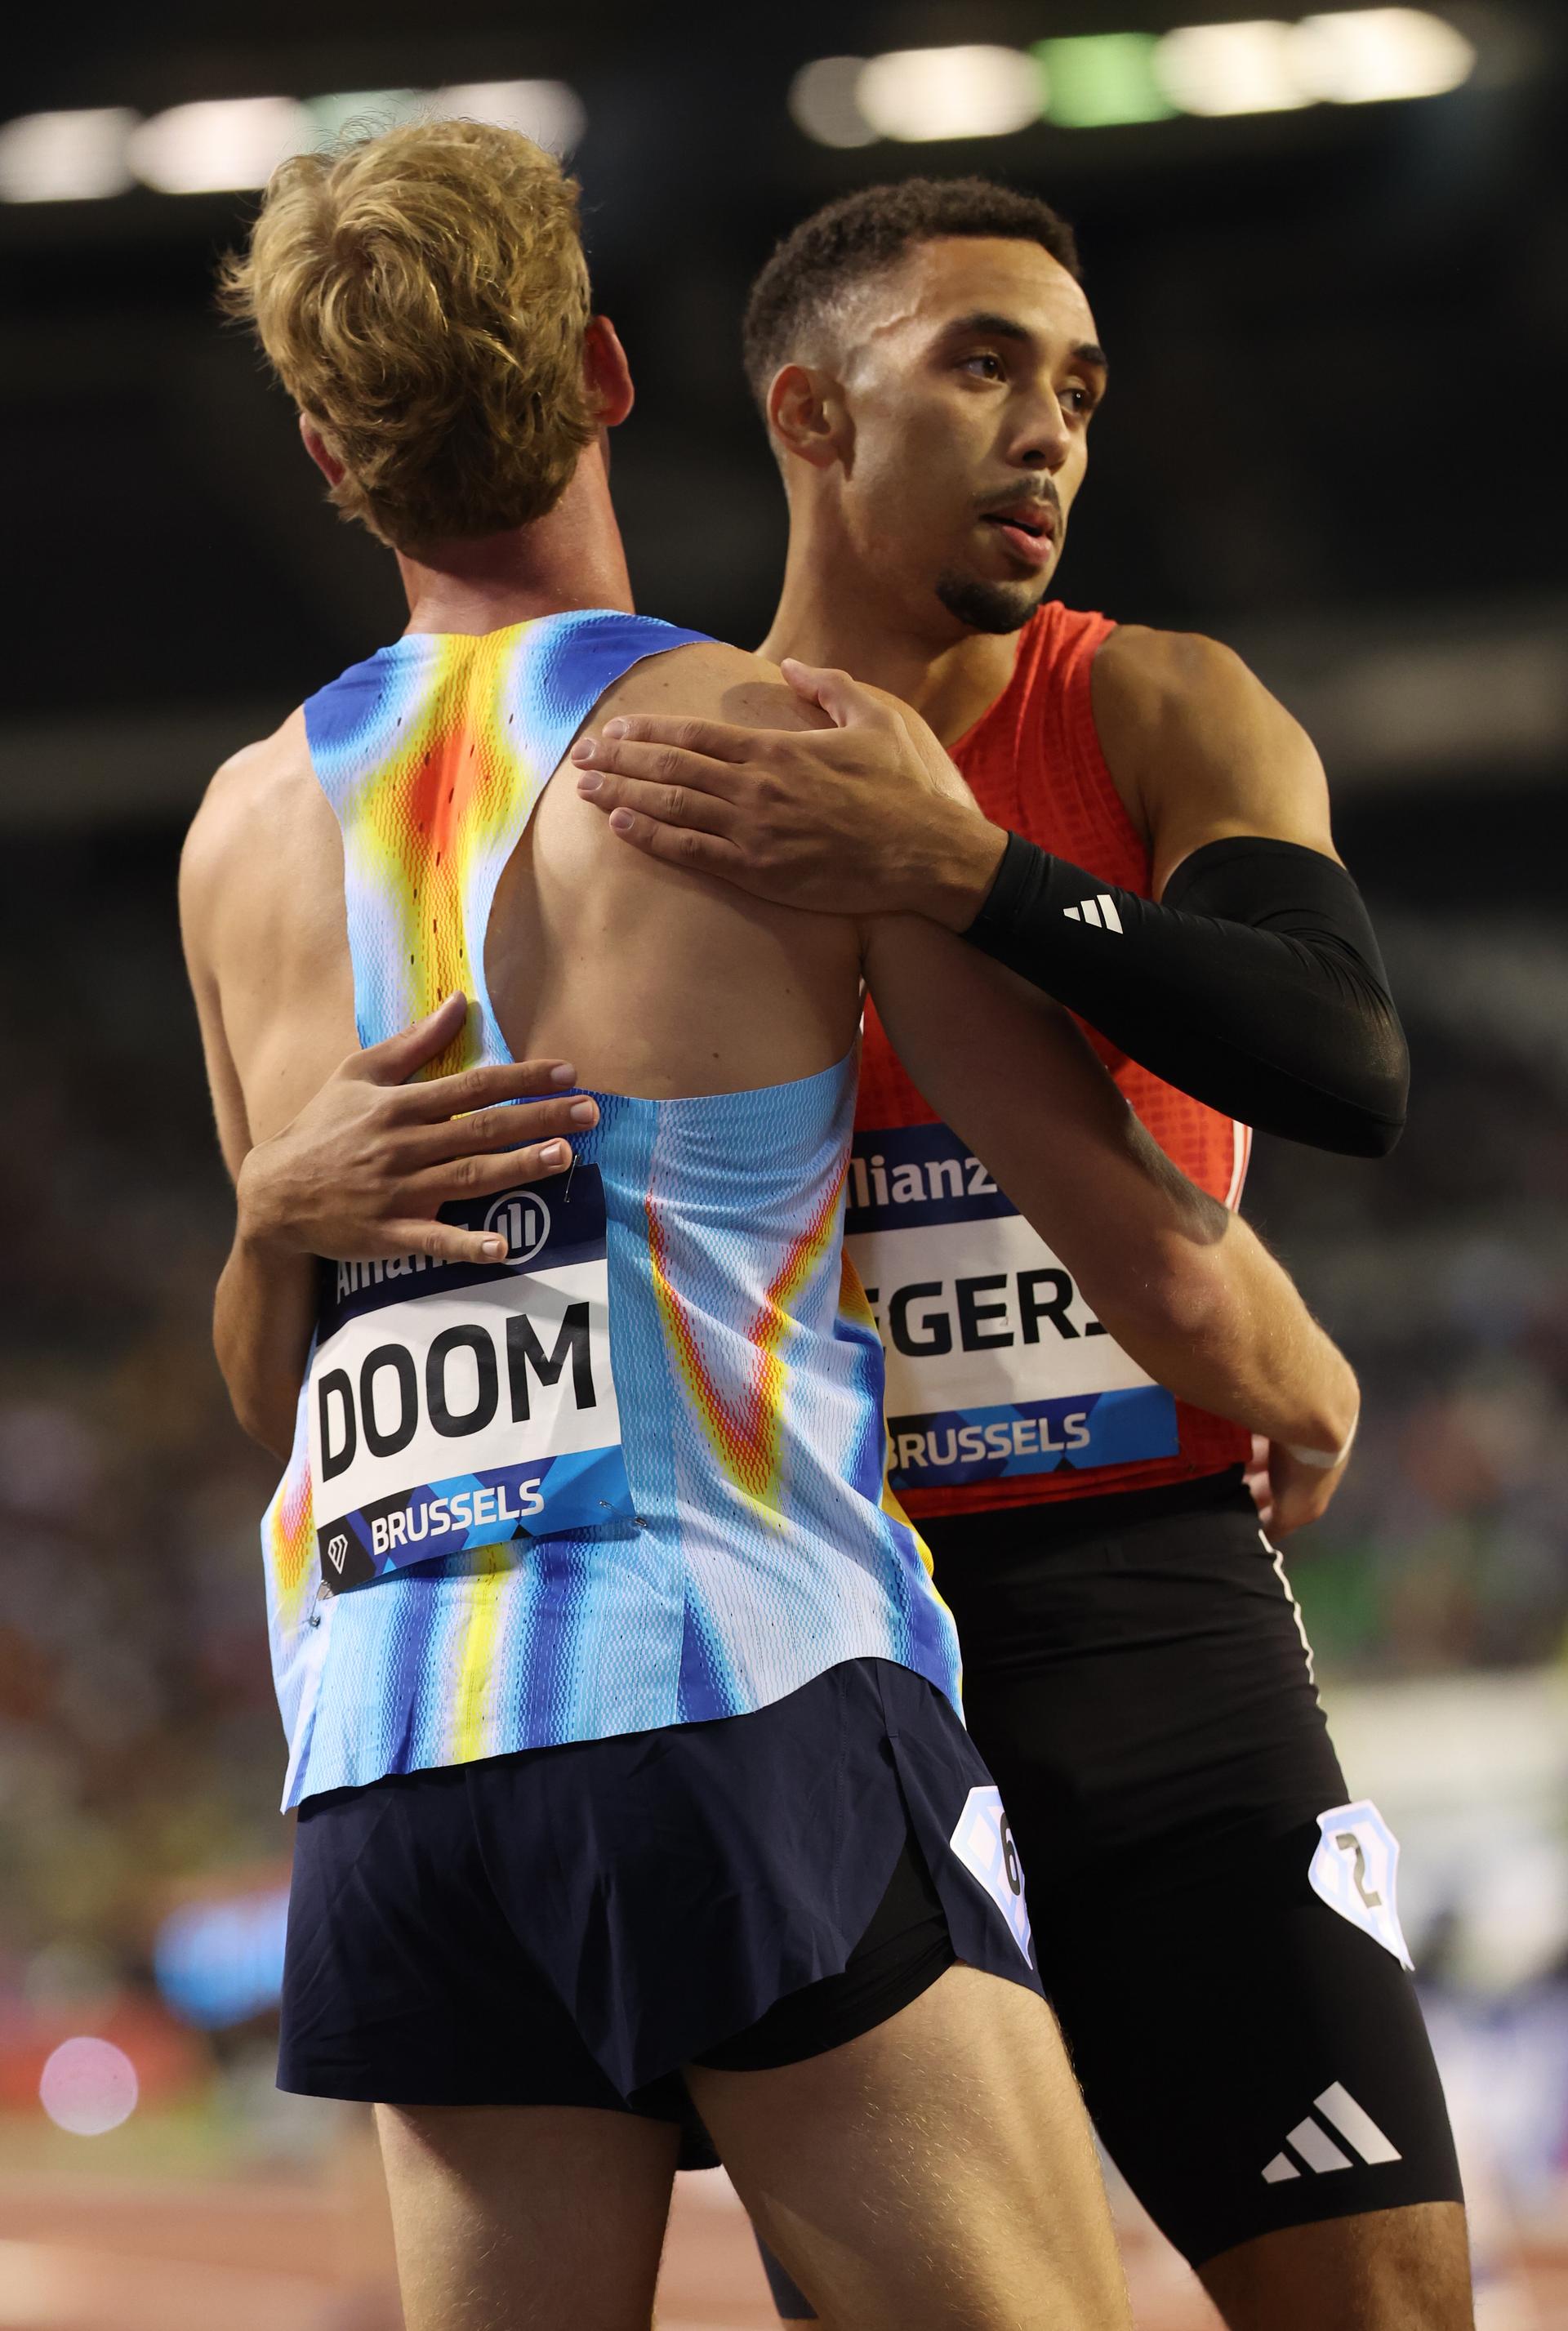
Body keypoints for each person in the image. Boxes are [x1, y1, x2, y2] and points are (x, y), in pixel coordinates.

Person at [185, 127, 1359, 2331]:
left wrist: (268, 1227)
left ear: (331, 453)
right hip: (734, 1686)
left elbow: (280, 1386)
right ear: (614, 376)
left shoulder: (239, 831)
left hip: (391, 1765)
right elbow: (1111, 1216)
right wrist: (1281, 1372)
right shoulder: (768, 750)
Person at [568, 180, 1469, 2331]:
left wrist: (969, 877)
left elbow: (1343, 1061)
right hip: (836, 1666)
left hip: (1162, 1630)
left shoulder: (1158, 709)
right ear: (807, 410)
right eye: (981, 363)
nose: (1050, 428)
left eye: (1075, 383)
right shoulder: (645, 786)